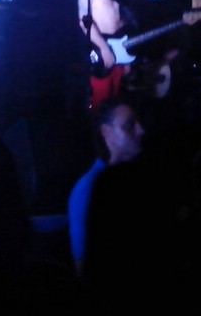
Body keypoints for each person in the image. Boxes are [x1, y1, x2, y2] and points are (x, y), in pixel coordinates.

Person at [66, 97, 145, 275]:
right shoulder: (88, 189)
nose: (141, 131)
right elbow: (83, 266)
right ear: (106, 132)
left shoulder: (137, 180)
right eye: (129, 125)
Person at [78, 0, 132, 110]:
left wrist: (125, 55)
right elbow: (84, 21)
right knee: (100, 105)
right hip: (102, 56)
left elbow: (119, 25)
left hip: (118, 55)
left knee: (116, 103)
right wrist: (103, 48)